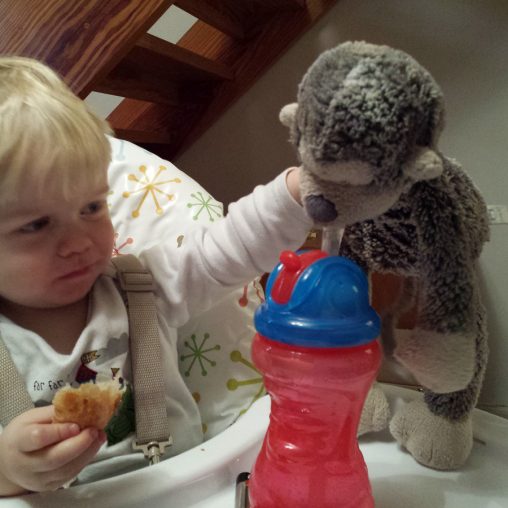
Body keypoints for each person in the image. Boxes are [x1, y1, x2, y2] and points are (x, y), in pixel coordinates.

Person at [0, 56, 312, 496]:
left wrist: (299, 192)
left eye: (92, 207)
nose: (79, 242)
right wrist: (8, 472)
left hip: (185, 492)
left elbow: (228, 248)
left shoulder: (143, 285)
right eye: (36, 224)